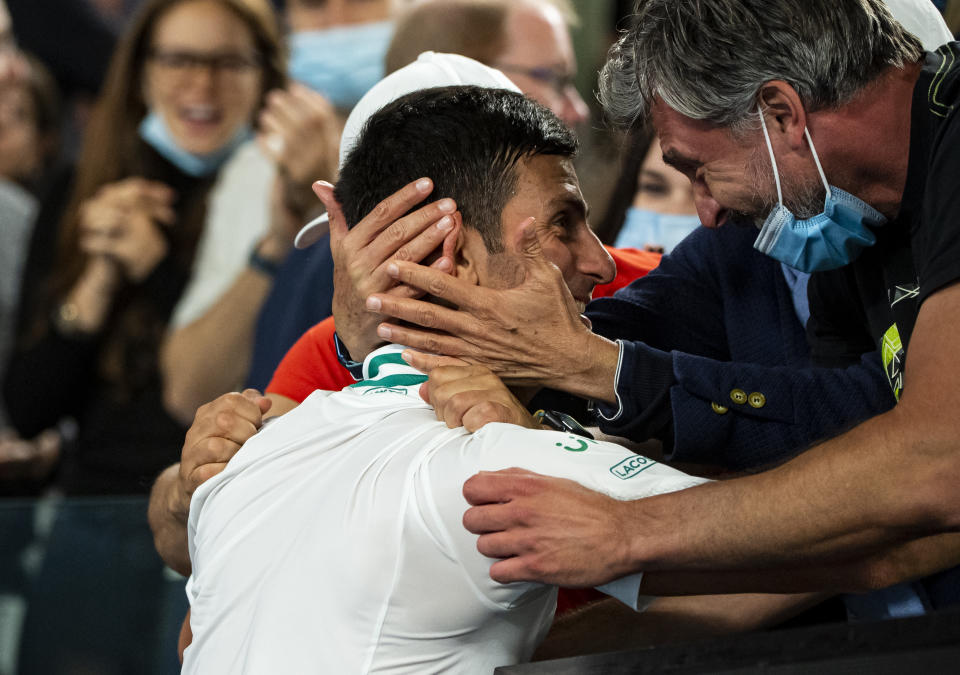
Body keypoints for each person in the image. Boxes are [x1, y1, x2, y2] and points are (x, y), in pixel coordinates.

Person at [361, 0, 960, 597]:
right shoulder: (846, 214)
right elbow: (846, 442)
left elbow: (936, 460)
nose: (707, 211)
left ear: (781, 113)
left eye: (699, 169)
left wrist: (633, 531)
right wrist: (383, 351)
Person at [181, 82, 707, 673]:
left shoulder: (261, 452)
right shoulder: (495, 460)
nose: (602, 261)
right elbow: (809, 539)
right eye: (563, 224)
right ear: (445, 255)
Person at [3, 1, 284, 671]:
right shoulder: (81, 190)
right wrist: (98, 278)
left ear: (264, 76)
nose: (201, 85)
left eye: (227, 62)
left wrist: (156, 269)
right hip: (91, 528)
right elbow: (31, 405)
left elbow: (235, 375)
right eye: (180, 59)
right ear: (141, 71)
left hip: (216, 525)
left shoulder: (277, 198)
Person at [244, 0, 597, 389]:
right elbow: (265, 418)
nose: (364, 280)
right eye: (373, 242)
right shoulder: (327, 329)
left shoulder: (613, 296)